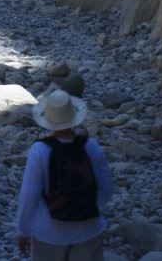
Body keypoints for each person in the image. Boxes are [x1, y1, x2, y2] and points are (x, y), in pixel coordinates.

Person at [15, 88, 114, 260]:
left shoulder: (39, 150)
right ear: (74, 116)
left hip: (49, 231)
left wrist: (22, 230)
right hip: (88, 228)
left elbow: (29, 194)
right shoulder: (91, 146)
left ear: (47, 119)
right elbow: (106, 188)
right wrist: (87, 207)